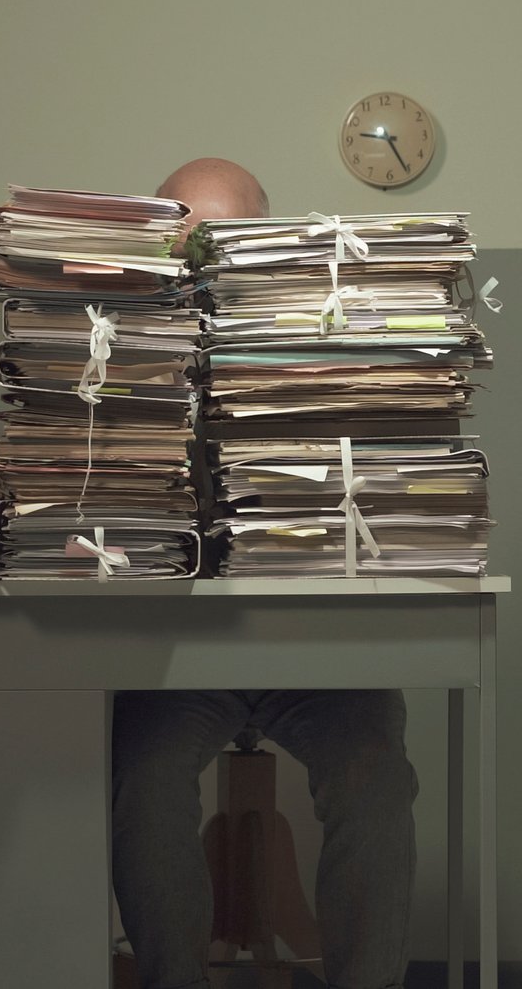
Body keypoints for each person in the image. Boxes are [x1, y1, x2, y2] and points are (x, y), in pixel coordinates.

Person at [110, 157, 418, 989]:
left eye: (225, 237)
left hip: (319, 649)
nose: (203, 256)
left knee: (376, 785)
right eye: (184, 233)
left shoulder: (328, 325)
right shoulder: (107, 337)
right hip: (177, 651)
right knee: (142, 780)